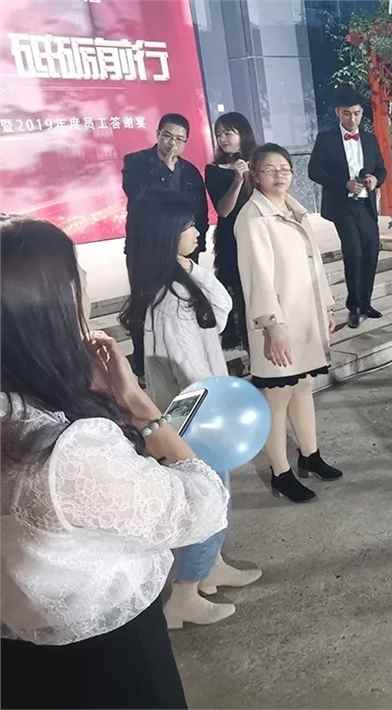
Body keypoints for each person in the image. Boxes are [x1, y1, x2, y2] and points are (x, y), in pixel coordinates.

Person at [1, 216, 228, 708]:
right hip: (107, 659)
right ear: (50, 306)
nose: (85, 282)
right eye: (75, 273)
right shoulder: (70, 453)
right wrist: (141, 408)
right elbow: (202, 505)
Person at [122, 196, 262, 628]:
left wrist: (189, 266)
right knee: (206, 498)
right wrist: (214, 413)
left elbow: (220, 309)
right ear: (167, 235)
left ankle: (209, 568)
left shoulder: (176, 284)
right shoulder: (172, 300)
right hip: (197, 414)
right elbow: (190, 367)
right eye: (188, 226)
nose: (198, 232)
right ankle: (184, 595)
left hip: (198, 409)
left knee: (215, 496)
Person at [236, 143, 343, 503]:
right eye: (270, 169)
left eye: (284, 168)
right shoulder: (253, 217)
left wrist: (326, 307)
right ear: (255, 175)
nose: (279, 175)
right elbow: (258, 277)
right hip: (278, 323)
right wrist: (272, 325)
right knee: (277, 396)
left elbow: (315, 266)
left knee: (303, 386)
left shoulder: (295, 211)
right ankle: (280, 472)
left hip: (305, 315)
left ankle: (310, 456)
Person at [122, 113, 210, 377]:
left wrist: (195, 248)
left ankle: (183, 360)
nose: (173, 143)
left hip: (182, 251)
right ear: (157, 134)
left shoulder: (191, 171)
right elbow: (140, 197)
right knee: (144, 306)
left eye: (180, 139)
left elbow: (200, 213)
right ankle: (144, 367)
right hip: (145, 250)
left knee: (183, 303)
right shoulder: (136, 163)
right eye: (168, 136)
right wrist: (166, 171)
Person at [308, 88, 386, 329]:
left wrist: (375, 180)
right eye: (346, 114)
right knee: (354, 252)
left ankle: (366, 303)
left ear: (362, 113)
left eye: (356, 113)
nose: (352, 119)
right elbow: (314, 171)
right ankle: (354, 307)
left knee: (371, 251)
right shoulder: (326, 138)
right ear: (337, 113)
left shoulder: (370, 139)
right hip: (341, 205)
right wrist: (343, 183)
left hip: (365, 204)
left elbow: (382, 169)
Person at [206, 112, 257, 351]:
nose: (223, 139)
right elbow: (223, 210)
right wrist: (238, 179)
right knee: (238, 288)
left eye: (228, 133)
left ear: (242, 133)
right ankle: (245, 343)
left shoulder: (259, 161)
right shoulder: (214, 170)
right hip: (231, 237)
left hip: (258, 232)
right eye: (219, 134)